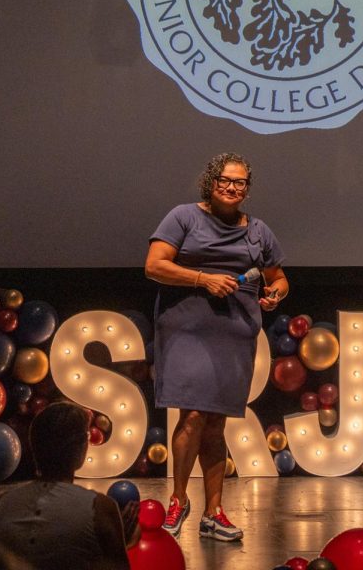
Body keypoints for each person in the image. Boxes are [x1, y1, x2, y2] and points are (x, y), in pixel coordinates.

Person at [144, 152, 289, 542]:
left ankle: (214, 513)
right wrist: (202, 279)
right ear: (211, 181)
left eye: (240, 182)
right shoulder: (183, 217)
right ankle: (178, 500)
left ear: (247, 188)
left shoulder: (258, 230)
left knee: (215, 423)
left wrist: (275, 293)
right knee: (191, 415)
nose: (232, 187)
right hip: (186, 329)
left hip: (234, 331)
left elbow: (278, 277)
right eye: (226, 180)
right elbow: (154, 266)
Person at [0, 402, 139, 570]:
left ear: (34, 445)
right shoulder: (99, 508)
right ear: (82, 446)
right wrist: (123, 542)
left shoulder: (4, 503)